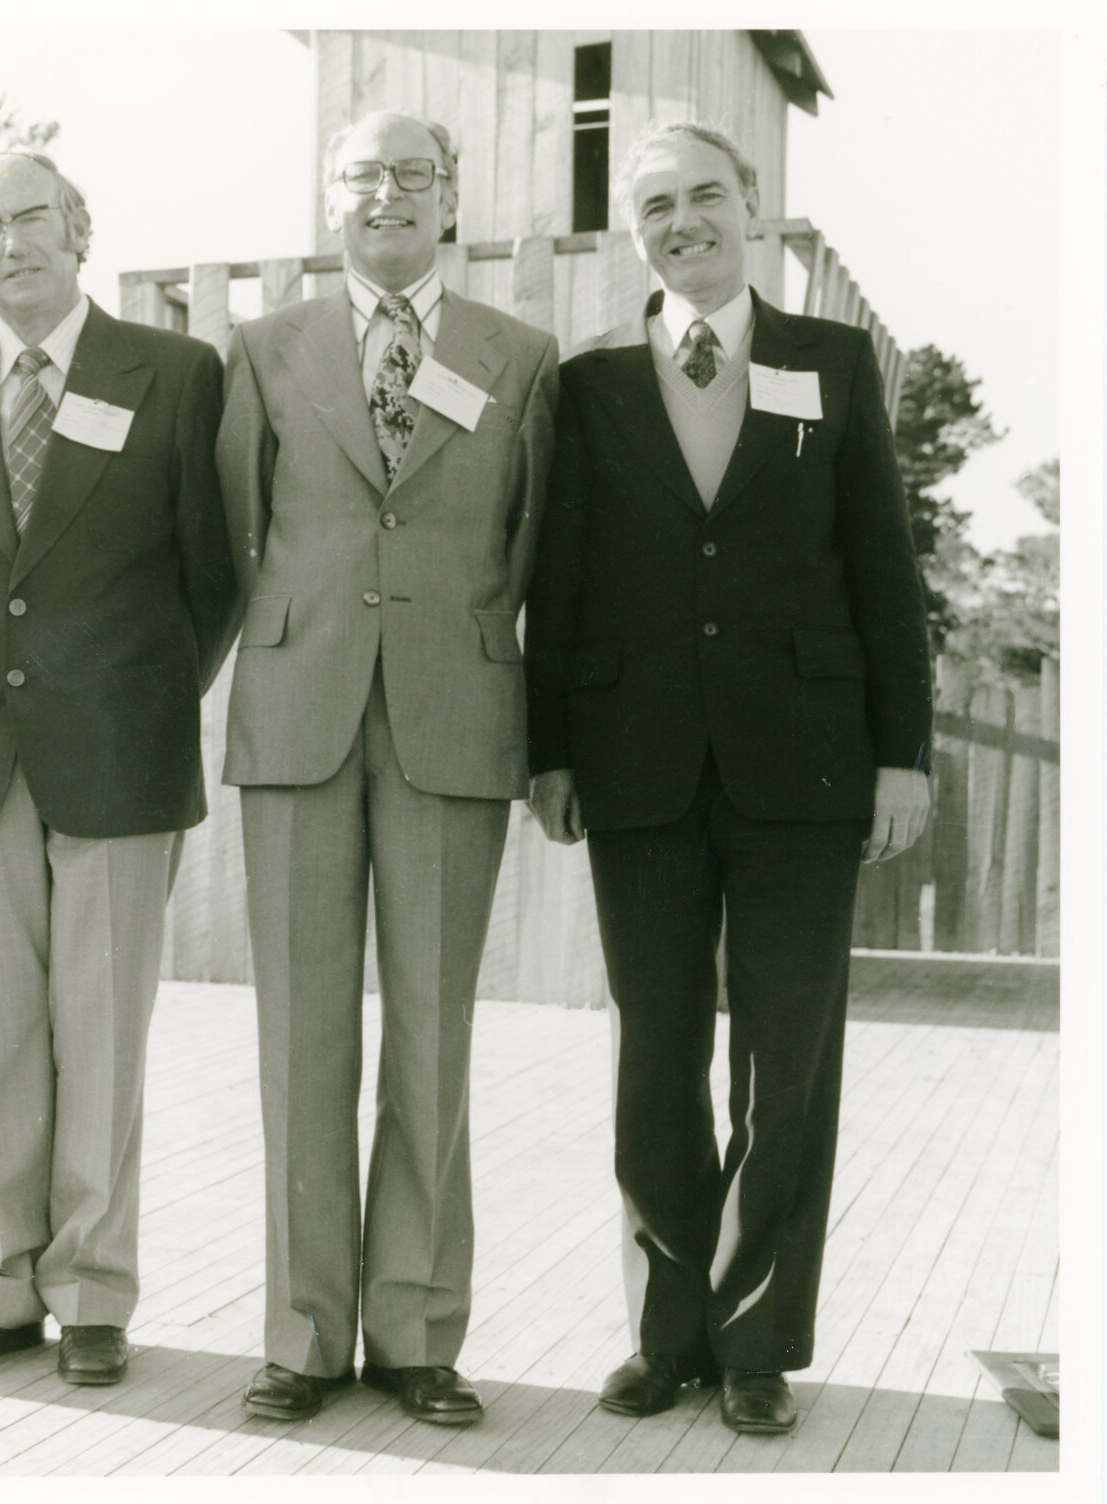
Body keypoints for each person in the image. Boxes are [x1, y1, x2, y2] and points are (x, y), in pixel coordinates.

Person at [524, 121, 932, 1436]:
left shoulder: (829, 363)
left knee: (782, 1063)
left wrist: (900, 753)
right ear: (631, 231)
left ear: (750, 204)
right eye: (655, 204)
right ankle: (665, 1338)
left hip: (803, 766)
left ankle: (754, 1342)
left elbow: (884, 571)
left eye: (704, 194)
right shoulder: (587, 383)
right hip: (634, 763)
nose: (682, 221)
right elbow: (556, 583)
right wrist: (547, 749)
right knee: (654, 1056)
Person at [219, 111, 559, 1426]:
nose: (386, 196)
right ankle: (302, 1335)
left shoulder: (518, 357)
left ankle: (414, 1333)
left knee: (430, 1033)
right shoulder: (263, 349)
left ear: (449, 198)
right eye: (361, 175)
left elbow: (530, 543)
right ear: (329, 197)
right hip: (297, 713)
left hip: (450, 716)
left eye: (412, 176)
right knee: (300, 1039)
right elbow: (231, 528)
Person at [0, 150, 235, 1387]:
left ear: (79, 229)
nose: (10, 242)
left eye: (30, 216)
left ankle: (89, 1289)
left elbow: (213, 574)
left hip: (121, 751)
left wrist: (139, 690)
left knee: (101, 1037)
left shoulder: (175, 373)